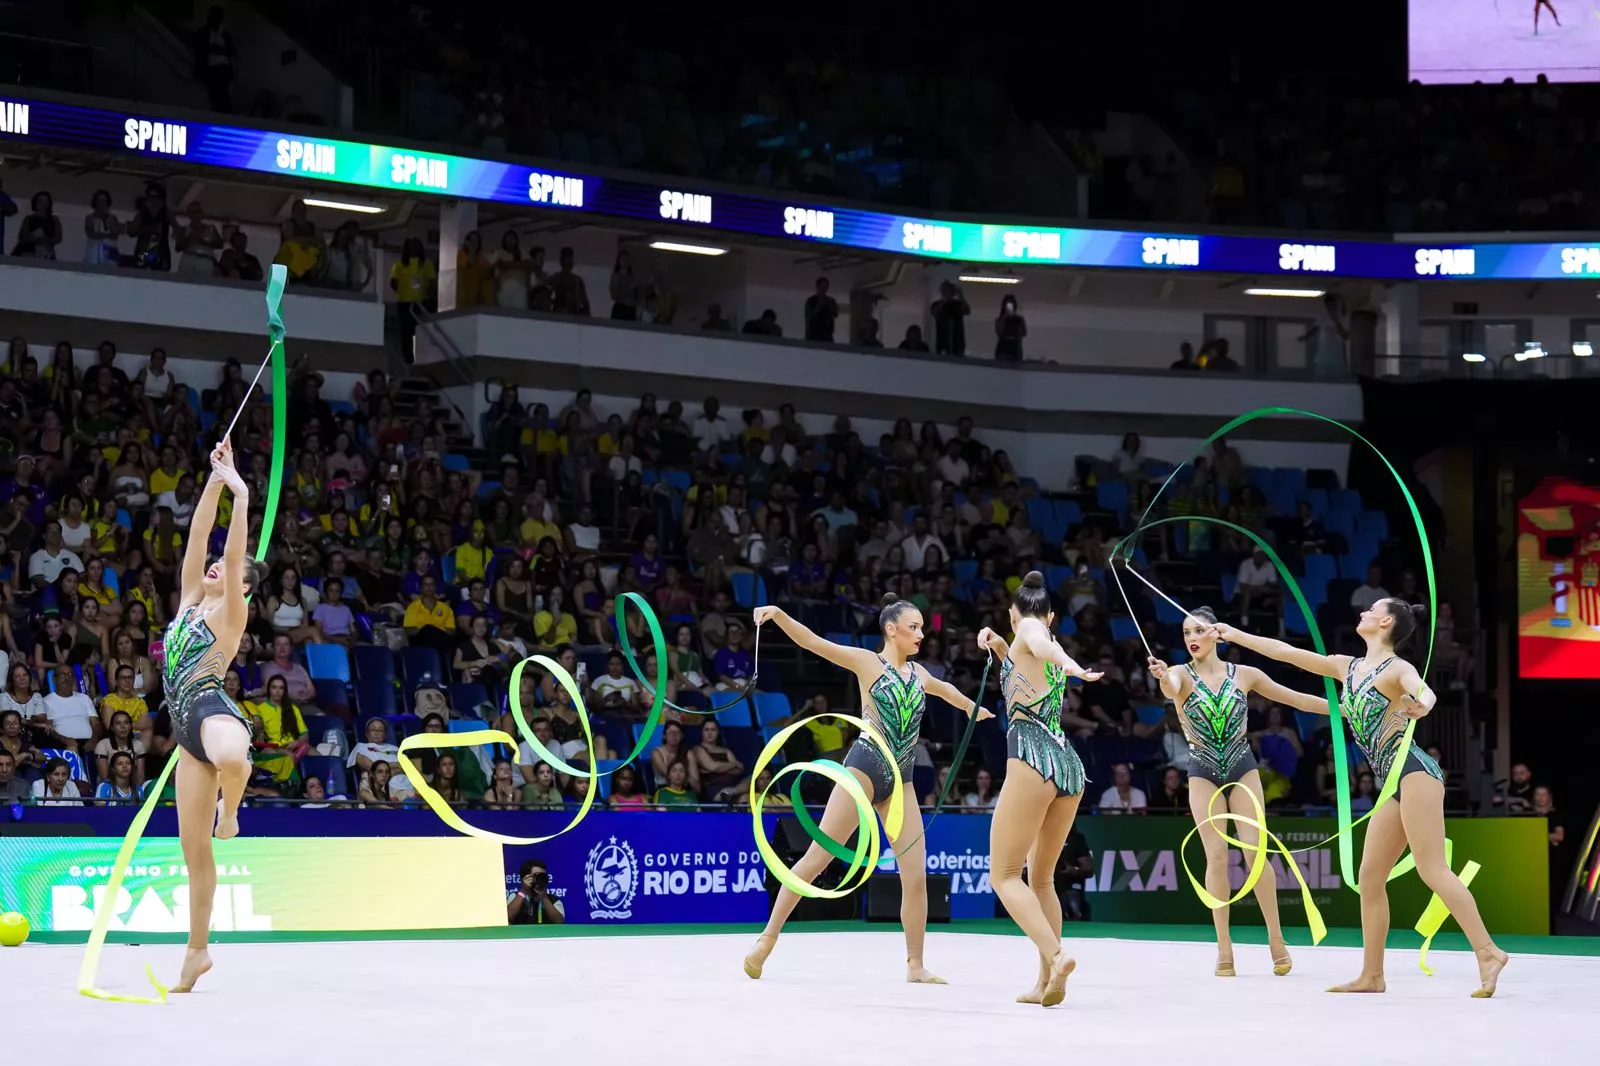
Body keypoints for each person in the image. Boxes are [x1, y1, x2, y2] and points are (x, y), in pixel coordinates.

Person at [1213, 600, 1509, 997]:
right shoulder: (1346, 667)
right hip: (1390, 783)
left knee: (1432, 869)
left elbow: (1425, 692)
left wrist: (1423, 705)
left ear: (1385, 622)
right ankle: (1372, 974)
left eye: (1371, 610)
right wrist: (1235, 635)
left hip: (1414, 771)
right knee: (1369, 878)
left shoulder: (1397, 668)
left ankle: (1488, 952)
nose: (1363, 613)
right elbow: (1288, 654)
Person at [743, 596, 989, 984]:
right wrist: (778, 615)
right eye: (914, 627)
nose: (922, 634)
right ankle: (766, 940)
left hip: (901, 781)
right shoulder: (866, 662)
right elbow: (813, 643)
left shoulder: (919, 674)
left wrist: (973, 707)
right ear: (891, 629)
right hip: (864, 769)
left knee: (915, 875)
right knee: (816, 859)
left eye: (923, 627)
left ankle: (915, 964)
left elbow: (946, 690)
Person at [1147, 608, 1329, 978]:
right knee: (1216, 856)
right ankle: (1224, 948)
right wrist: (1162, 676)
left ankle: (1276, 941)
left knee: (1256, 854)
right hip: (1202, 770)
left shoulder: (1244, 675)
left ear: (1216, 634)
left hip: (1242, 766)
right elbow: (1171, 688)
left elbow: (1294, 698)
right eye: (1185, 632)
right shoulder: (1180, 674)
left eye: (1198, 630)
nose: (1191, 637)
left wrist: (1343, 711)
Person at [162, 437, 264, 993]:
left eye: (228, 572)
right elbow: (200, 536)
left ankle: (233, 811)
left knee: (233, 757)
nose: (215, 570)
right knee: (193, 854)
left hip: (208, 705)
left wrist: (242, 495)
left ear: (243, 587)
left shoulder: (231, 615)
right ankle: (196, 951)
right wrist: (215, 477)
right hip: (183, 733)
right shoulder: (185, 603)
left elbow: (226, 551)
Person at [975, 572, 1101, 1006]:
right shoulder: (1023, 642)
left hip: (1032, 756)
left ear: (1017, 614)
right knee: (1042, 878)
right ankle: (1047, 980)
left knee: (1005, 875)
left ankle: (1057, 954)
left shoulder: (1033, 630)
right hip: (1066, 763)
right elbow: (1031, 655)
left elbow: (1042, 643)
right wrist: (997, 645)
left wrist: (1067, 661)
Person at [507, 858, 566, 925]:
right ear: (526, 878)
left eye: (542, 876)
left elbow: (559, 922)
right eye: (536, 875)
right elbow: (508, 918)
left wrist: (544, 898)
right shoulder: (515, 896)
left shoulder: (554, 900)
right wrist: (523, 891)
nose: (540, 879)